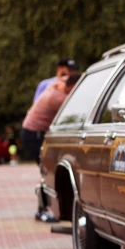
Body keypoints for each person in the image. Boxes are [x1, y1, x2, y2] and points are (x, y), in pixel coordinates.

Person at [22, 71, 81, 222]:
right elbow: (77, 113)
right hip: (34, 134)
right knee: (46, 171)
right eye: (77, 88)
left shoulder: (58, 84)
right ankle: (41, 211)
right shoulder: (58, 98)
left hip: (31, 131)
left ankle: (44, 209)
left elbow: (65, 78)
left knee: (46, 170)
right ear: (72, 86)